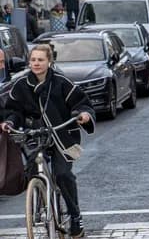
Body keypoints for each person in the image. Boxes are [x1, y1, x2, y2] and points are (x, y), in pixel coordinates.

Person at [1, 44, 95, 238]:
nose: (36, 63)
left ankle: (75, 216)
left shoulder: (62, 82)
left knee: (63, 175)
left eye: (40, 60)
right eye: (33, 60)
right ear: (29, 62)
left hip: (61, 136)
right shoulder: (20, 85)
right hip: (34, 135)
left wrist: (84, 115)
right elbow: (13, 110)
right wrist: (9, 121)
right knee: (32, 172)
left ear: (49, 61)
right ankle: (39, 196)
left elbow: (82, 103)